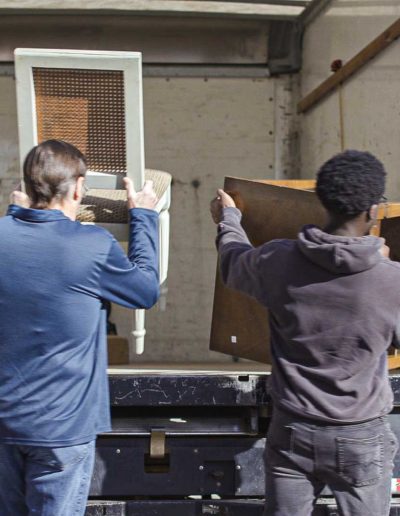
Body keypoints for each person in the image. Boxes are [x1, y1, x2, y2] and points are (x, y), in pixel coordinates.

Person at [210, 150, 399, 516]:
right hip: (362, 434)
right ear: (374, 210)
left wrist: (229, 218)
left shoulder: (280, 261)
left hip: (294, 431)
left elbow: (233, 261)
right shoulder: (390, 282)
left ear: (322, 202)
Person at [0, 140, 160, 515]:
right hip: (62, 427)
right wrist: (144, 218)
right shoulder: (91, 245)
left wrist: (13, 215)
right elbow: (145, 291)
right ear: (77, 188)